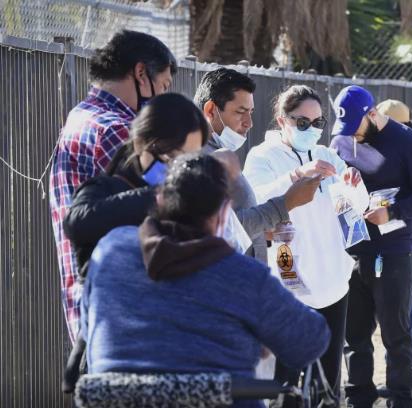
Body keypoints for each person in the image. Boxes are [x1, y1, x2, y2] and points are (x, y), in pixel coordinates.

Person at [80, 154, 330, 408]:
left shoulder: (110, 249)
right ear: (223, 216)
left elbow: (90, 327)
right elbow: (311, 341)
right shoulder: (243, 275)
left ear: (158, 201)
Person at [49, 30, 176, 341]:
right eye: (163, 87)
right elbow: (174, 199)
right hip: (123, 314)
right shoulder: (117, 131)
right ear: (140, 73)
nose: (162, 100)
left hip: (94, 308)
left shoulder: (82, 116)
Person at [241, 85, 359, 405]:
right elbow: (254, 202)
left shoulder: (327, 155)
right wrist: (295, 175)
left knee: (329, 374)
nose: (311, 130)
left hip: (333, 276)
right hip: (288, 278)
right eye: (302, 123)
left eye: (318, 123)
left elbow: (353, 205)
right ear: (282, 121)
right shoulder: (262, 157)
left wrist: (354, 187)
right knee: (287, 375)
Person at [330, 85, 412, 408]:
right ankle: (358, 399)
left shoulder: (408, 142)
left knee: (396, 336)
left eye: (356, 128)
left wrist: (392, 212)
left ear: (373, 114)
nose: (351, 136)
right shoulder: (341, 140)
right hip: (352, 249)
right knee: (355, 338)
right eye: (345, 130)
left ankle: (402, 399)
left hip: (393, 251)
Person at [63, 94, 209, 275]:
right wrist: (160, 198)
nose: (178, 169)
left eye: (189, 160)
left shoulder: (189, 196)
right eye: (171, 157)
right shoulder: (104, 188)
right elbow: (76, 222)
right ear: (140, 144)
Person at [194, 68, 290, 264]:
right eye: (240, 112)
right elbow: (224, 229)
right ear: (211, 110)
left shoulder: (217, 152)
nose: (249, 123)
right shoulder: (200, 160)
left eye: (251, 112)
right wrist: (286, 203)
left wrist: (263, 232)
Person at [376, 99, 412, 382]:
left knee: (405, 310)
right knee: (401, 310)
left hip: (411, 244)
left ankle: (407, 372)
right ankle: (404, 371)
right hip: (400, 243)